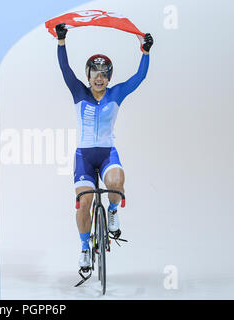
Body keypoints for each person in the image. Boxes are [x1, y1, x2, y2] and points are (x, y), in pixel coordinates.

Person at [55, 23, 153, 268]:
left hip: (108, 153)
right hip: (84, 157)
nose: (99, 78)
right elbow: (65, 69)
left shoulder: (116, 93)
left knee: (117, 186)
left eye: (104, 74)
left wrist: (145, 52)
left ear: (109, 77)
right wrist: (61, 41)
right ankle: (85, 247)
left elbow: (139, 78)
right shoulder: (79, 92)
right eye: (94, 73)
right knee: (84, 203)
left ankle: (111, 211)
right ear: (88, 76)